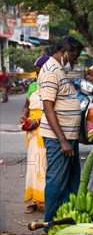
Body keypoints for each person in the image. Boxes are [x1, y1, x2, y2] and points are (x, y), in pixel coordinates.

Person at [38, 35, 83, 232]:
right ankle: (49, 226)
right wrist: (63, 141)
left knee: (71, 182)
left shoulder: (60, 69)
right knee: (56, 182)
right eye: (74, 56)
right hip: (59, 139)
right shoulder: (50, 71)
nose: (76, 60)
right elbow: (48, 108)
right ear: (64, 52)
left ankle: (66, 220)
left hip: (69, 138)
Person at [20, 55, 50, 213]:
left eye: (40, 72)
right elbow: (26, 105)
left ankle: (46, 199)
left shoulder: (52, 86)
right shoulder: (33, 87)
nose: (38, 76)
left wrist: (37, 122)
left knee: (44, 165)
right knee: (33, 165)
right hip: (32, 132)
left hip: (46, 129)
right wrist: (25, 116)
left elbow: (53, 111)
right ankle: (32, 200)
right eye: (36, 73)